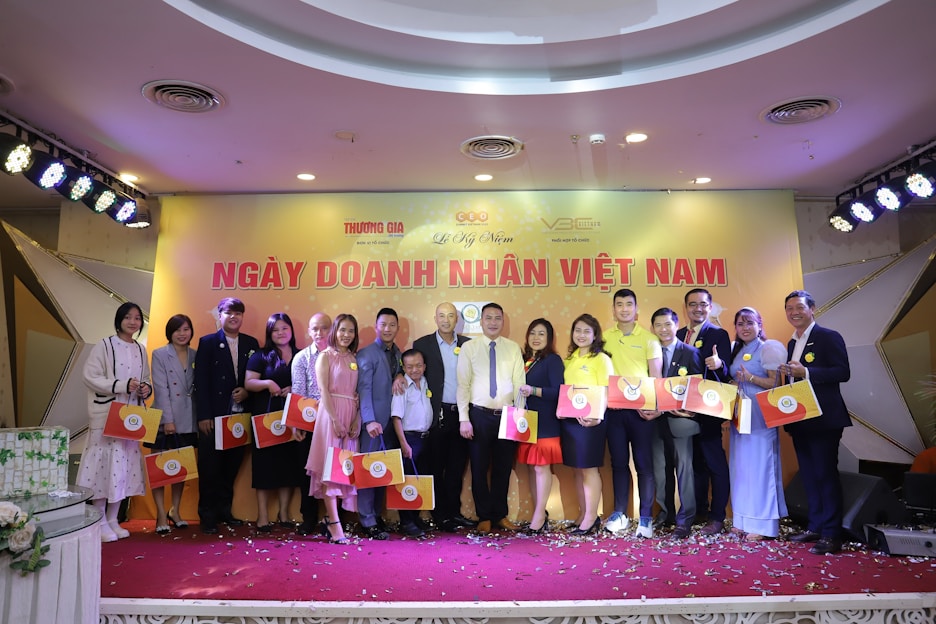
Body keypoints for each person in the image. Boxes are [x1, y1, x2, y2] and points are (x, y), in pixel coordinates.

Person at [782, 290, 852, 555]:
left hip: (824, 418)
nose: (794, 312)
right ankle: (816, 526)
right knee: (810, 476)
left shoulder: (828, 337)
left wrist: (806, 372)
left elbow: (842, 372)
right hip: (800, 418)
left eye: (799, 307)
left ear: (813, 309)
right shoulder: (792, 342)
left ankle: (832, 535)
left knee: (825, 475)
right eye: (789, 308)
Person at [77, 301, 153, 542]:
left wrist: (144, 388)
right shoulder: (104, 345)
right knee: (103, 466)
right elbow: (90, 377)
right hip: (107, 416)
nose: (133, 322)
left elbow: (146, 378)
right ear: (119, 320)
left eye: (137, 318)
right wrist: (120, 386)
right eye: (128, 317)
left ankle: (113, 519)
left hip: (130, 419)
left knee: (123, 467)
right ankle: (98, 520)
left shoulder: (141, 349)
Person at [194, 297, 261, 535]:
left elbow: (255, 377)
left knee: (231, 466)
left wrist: (246, 392)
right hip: (213, 417)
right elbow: (200, 382)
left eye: (238, 313)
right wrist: (203, 415)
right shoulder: (208, 343)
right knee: (210, 467)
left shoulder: (251, 343)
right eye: (229, 313)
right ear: (220, 315)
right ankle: (207, 516)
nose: (234, 317)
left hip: (239, 418)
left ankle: (225, 511)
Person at [457, 302, 525, 534]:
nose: (493, 322)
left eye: (498, 318)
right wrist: (464, 418)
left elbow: (519, 385)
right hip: (478, 415)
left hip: (507, 415)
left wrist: (520, 416)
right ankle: (484, 516)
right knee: (479, 467)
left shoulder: (513, 348)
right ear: (481, 321)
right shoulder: (470, 348)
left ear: (503, 322)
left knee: (503, 468)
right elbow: (463, 384)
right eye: (489, 318)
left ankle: (499, 515)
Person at [602, 289, 662, 538]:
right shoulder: (603, 338)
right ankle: (620, 514)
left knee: (644, 465)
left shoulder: (649, 339)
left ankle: (645, 517)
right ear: (613, 309)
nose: (624, 309)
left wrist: (656, 407)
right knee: (617, 463)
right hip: (614, 412)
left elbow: (656, 377)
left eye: (629, 304)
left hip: (642, 413)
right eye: (619, 304)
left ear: (637, 308)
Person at [413, 302, 475, 532]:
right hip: (436, 415)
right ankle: (439, 515)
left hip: (462, 415)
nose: (446, 320)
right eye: (442, 316)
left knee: (457, 467)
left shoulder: (468, 345)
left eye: (451, 316)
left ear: (457, 319)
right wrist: (400, 376)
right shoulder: (422, 344)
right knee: (436, 467)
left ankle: (454, 513)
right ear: (435, 318)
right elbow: (412, 370)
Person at [727, 307, 787, 541]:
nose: (745, 328)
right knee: (742, 468)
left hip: (762, 416)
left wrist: (749, 378)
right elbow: (735, 376)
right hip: (741, 415)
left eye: (750, 323)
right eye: (740, 324)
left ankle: (764, 525)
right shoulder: (736, 350)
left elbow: (775, 384)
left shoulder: (768, 348)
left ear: (759, 325)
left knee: (761, 468)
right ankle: (742, 519)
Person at [676, 288, 732, 535]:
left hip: (707, 409)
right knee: (694, 463)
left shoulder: (718, 334)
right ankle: (699, 509)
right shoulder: (678, 334)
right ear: (685, 307)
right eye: (692, 304)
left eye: (703, 304)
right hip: (680, 411)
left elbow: (726, 373)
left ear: (710, 307)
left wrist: (720, 365)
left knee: (714, 463)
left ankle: (717, 517)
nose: (697, 309)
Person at [304, 314, 362, 544]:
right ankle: (336, 527)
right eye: (342, 330)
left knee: (343, 470)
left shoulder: (354, 358)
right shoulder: (324, 357)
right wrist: (336, 420)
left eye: (351, 331)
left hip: (350, 415)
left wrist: (356, 418)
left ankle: (330, 520)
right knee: (330, 470)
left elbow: (357, 393)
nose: (346, 335)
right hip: (331, 417)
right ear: (334, 331)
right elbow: (323, 392)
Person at [650, 308, 703, 539]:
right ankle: (665, 514)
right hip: (653, 421)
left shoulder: (690, 352)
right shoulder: (649, 352)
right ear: (652, 328)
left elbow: (700, 388)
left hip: (682, 421)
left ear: (677, 325)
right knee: (660, 471)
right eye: (658, 325)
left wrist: (687, 410)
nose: (663, 329)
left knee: (685, 470)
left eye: (668, 324)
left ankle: (685, 519)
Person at [245, 312, 301, 532]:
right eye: (275, 329)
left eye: (284, 328)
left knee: (289, 465)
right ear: (269, 333)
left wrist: (293, 390)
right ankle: (262, 516)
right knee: (264, 466)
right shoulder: (261, 355)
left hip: (293, 417)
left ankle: (284, 513)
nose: (280, 333)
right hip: (265, 418)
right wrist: (268, 383)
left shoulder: (300, 355)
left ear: (291, 330)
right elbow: (249, 383)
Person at [561, 314, 613, 535]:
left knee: (589, 469)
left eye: (586, 331)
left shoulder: (601, 359)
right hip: (570, 421)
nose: (581, 335)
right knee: (577, 469)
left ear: (595, 335)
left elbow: (608, 390)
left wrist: (598, 416)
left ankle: (592, 517)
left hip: (591, 422)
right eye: (577, 330)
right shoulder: (570, 358)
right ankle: (583, 513)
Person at [355, 307, 403, 539]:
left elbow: (399, 374)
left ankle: (376, 515)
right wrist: (369, 420)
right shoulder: (366, 354)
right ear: (376, 326)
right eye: (383, 324)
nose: (387, 329)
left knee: (383, 471)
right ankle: (366, 520)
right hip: (373, 425)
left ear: (397, 328)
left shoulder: (398, 352)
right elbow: (363, 389)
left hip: (392, 424)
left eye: (392, 325)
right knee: (367, 471)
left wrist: (401, 374)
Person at [148, 313, 197, 535]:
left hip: (189, 418)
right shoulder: (160, 354)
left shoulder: (196, 354)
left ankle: (175, 511)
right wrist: (168, 420)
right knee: (158, 468)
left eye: (186, 329)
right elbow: (161, 388)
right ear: (170, 332)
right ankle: (159, 513)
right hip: (163, 418)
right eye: (178, 329)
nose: (182, 333)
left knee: (180, 468)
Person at [517, 318, 564, 534]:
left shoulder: (553, 360)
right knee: (531, 469)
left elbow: (559, 391)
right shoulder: (525, 360)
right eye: (533, 333)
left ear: (549, 338)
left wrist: (533, 390)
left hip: (545, 422)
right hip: (527, 422)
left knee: (541, 467)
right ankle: (540, 514)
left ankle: (538, 517)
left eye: (541, 334)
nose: (536, 338)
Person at [290, 312, 331, 535]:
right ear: (308, 331)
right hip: (309, 424)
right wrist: (297, 424)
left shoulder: (340, 356)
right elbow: (298, 392)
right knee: (307, 473)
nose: (319, 333)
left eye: (324, 328)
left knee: (333, 472)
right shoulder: (302, 358)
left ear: (332, 329)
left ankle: (334, 518)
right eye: (315, 329)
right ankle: (309, 517)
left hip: (334, 423)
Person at [390, 348, 434, 538]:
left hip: (425, 437)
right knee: (407, 480)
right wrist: (404, 443)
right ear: (404, 368)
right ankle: (406, 521)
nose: (414, 370)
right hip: (409, 438)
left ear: (424, 366)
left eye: (418, 365)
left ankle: (415, 517)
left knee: (419, 479)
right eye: (409, 367)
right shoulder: (401, 387)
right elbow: (396, 418)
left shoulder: (424, 382)